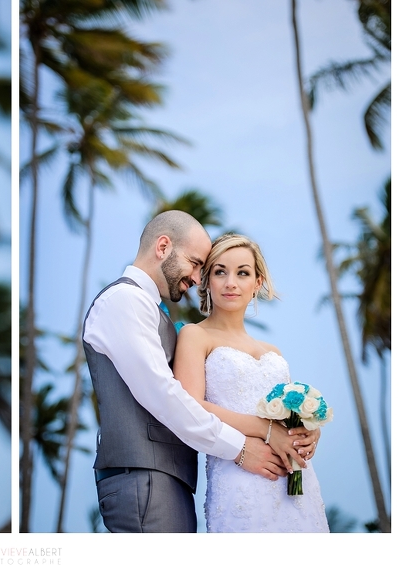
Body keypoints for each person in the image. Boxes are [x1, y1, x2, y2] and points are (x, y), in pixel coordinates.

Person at [83, 210, 309, 532]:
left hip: (166, 479)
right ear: (163, 247)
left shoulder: (148, 309)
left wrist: (302, 430)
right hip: (144, 477)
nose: (197, 277)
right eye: (197, 263)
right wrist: (243, 447)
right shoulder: (125, 301)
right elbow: (165, 396)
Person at [173, 233, 328, 532]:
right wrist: (266, 430)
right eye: (220, 272)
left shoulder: (274, 352)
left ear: (257, 283)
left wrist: (311, 431)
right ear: (206, 280)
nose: (231, 282)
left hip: (295, 481)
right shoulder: (195, 336)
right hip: (240, 477)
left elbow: (288, 415)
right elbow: (190, 406)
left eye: (242, 273)